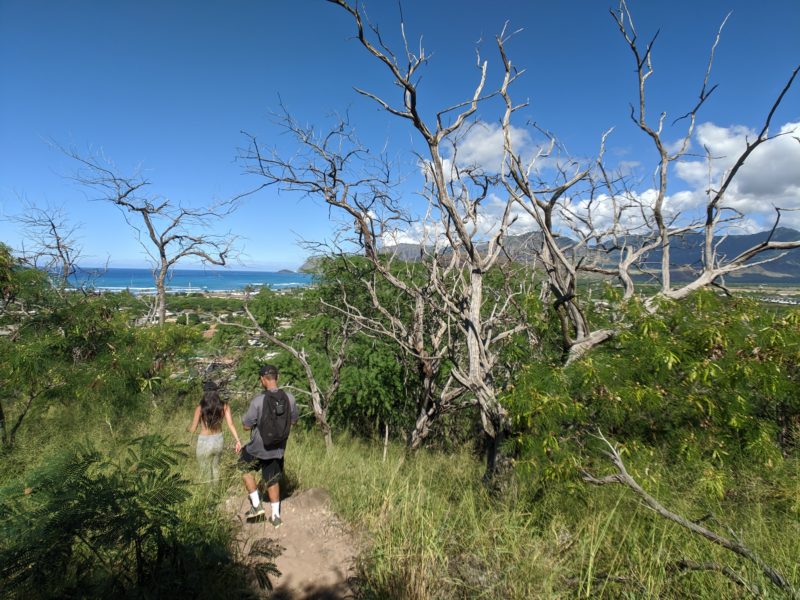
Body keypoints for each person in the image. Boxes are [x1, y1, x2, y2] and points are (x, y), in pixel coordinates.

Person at [239, 364, 298, 526]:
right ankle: (276, 517)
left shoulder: (258, 400)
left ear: (263, 380)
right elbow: (293, 421)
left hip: (258, 447)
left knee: (244, 467)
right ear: (277, 377)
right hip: (278, 448)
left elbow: (246, 426)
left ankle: (257, 506)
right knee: (272, 479)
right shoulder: (290, 398)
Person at [187, 381, 242, 483]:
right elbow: (231, 424)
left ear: (204, 393)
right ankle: (216, 493)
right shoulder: (224, 406)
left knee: (205, 470)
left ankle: (208, 493)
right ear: (216, 392)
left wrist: (187, 429)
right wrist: (237, 440)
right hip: (218, 439)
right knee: (215, 467)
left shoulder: (200, 408)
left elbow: (193, 429)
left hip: (204, 441)